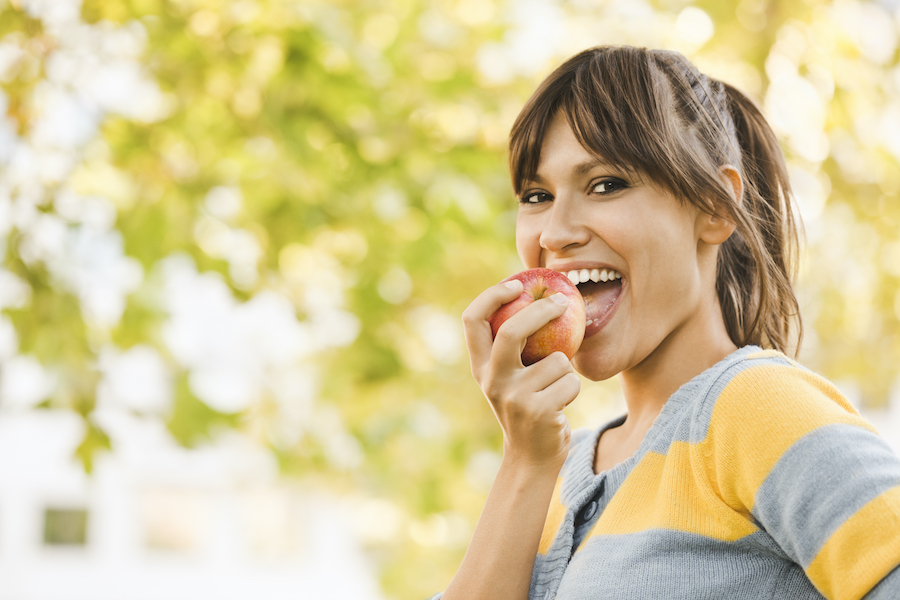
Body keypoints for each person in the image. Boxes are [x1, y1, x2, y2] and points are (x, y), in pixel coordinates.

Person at [433, 46, 900, 600]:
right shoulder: (557, 469)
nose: (554, 233)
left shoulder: (756, 407)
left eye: (606, 184)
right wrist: (525, 462)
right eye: (537, 196)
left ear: (715, 207)